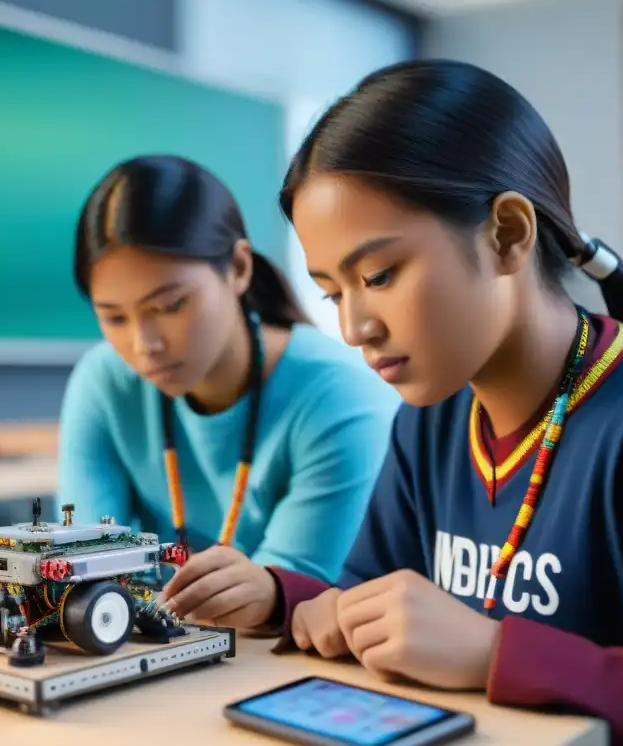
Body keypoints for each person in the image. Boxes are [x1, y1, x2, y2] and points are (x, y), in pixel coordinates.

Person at [162, 61, 623, 746]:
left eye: (379, 275)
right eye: (335, 293)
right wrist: (284, 601)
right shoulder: (431, 415)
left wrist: (494, 653)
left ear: (508, 234)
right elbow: (369, 609)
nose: (355, 328)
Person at [57, 154, 397, 625]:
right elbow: (86, 562)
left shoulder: (341, 396)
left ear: (238, 268)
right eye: (114, 317)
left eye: (171, 304)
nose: (144, 345)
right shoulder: (103, 381)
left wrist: (268, 591)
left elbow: (297, 591)